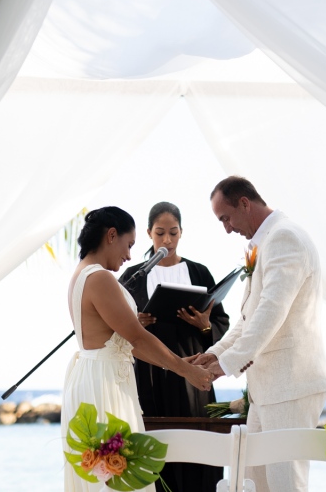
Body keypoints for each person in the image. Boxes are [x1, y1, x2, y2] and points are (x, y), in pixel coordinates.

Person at [193, 176, 326, 492]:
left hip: (290, 385)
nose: (227, 228)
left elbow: (272, 312)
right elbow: (247, 320)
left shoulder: (286, 238)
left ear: (244, 203)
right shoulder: (263, 244)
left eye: (226, 218)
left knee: (286, 484)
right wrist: (215, 353)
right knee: (250, 480)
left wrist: (228, 364)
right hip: (266, 389)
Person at [61, 206, 213, 492]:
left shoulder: (81, 274)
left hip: (97, 377)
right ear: (111, 235)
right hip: (106, 386)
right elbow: (137, 338)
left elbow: (124, 344)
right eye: (128, 245)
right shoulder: (100, 278)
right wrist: (186, 372)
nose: (130, 256)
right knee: (117, 478)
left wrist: (180, 361)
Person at [119, 202, 230, 492]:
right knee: (156, 449)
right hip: (149, 375)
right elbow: (115, 328)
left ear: (182, 233)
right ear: (148, 233)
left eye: (173, 233)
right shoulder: (132, 277)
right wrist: (135, 323)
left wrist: (204, 324)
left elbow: (221, 324)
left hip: (192, 374)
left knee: (199, 448)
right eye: (160, 233)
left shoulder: (200, 272)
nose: (167, 240)